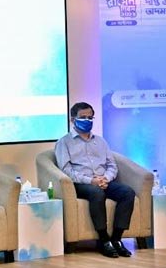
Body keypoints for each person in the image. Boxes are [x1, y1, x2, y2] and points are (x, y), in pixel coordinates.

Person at [54, 102, 136, 259]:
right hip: (81, 184)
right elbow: (66, 170)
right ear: (72, 120)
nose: (87, 120)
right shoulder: (64, 142)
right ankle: (103, 240)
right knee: (97, 193)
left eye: (90, 117)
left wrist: (106, 178)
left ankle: (116, 239)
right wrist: (90, 181)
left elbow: (112, 165)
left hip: (103, 181)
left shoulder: (100, 141)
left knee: (127, 192)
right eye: (83, 117)